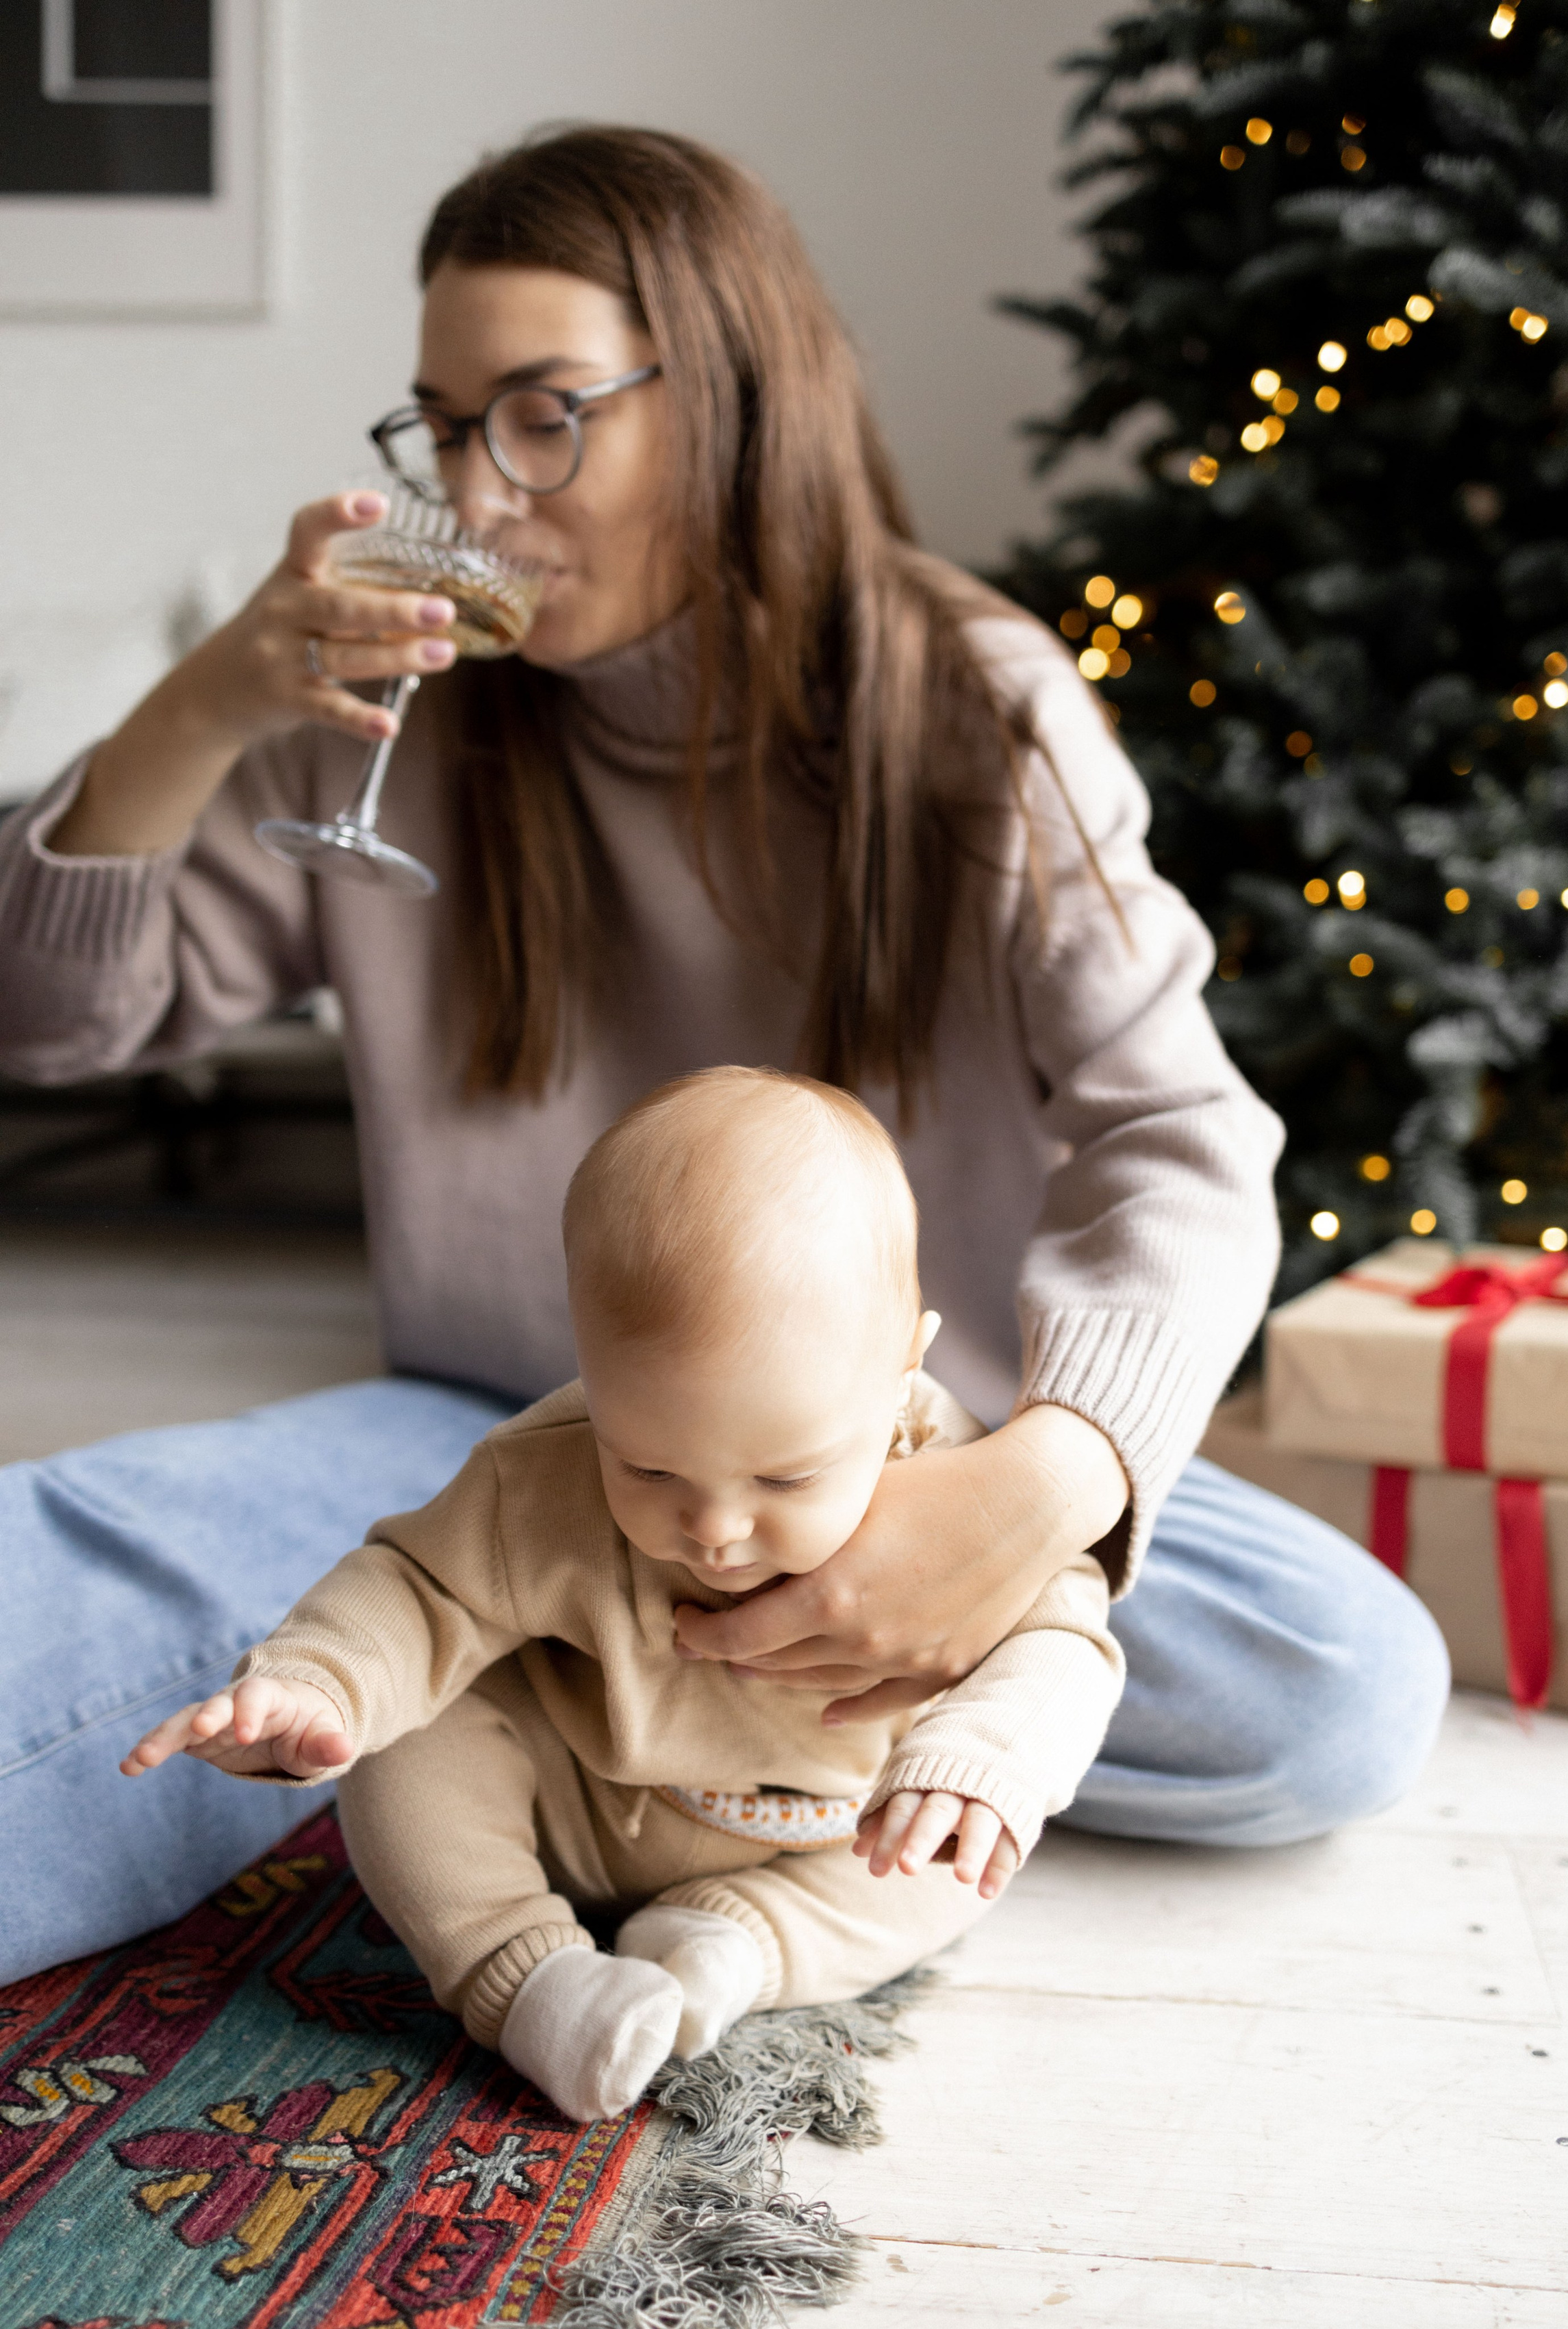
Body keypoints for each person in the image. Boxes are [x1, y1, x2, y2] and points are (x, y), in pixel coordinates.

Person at [0, 125, 1448, 1988]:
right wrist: (203, 705)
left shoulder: (970, 705)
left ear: (735, 402)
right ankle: (620, 1717)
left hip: (895, 1459)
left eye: (543, 418)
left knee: (1332, 1684)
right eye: (444, 428)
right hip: (502, 1443)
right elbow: (52, 1021)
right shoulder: (394, 705)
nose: (477, 492)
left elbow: (1184, 1135)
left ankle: (613, 1735)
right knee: (102, 1583)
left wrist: (1038, 1488)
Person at [121, 1070, 1124, 2121]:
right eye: (648, 1465)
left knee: (953, 1856)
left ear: (902, 1368)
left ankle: (737, 1944)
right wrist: (319, 1684)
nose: (715, 1526)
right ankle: (526, 1974)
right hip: (584, 1802)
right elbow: (419, 1588)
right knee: (408, 1739)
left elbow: (1066, 1630)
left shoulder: (959, 1480)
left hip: (827, 1833)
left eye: (785, 1476)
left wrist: (981, 1759)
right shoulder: (545, 1474)